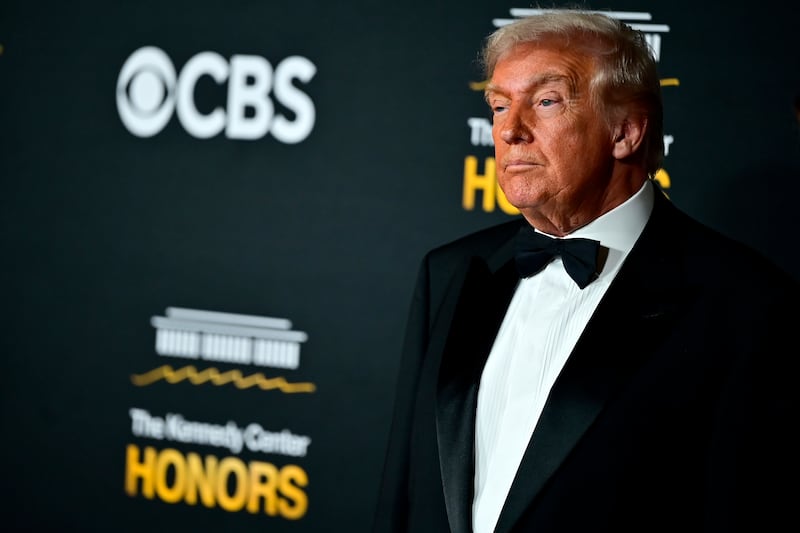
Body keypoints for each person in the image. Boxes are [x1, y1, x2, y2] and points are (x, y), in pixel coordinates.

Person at [371, 8, 798, 533]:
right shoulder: (452, 271)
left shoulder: (747, 303)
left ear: (626, 132)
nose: (510, 131)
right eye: (500, 106)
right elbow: (403, 496)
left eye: (546, 101)